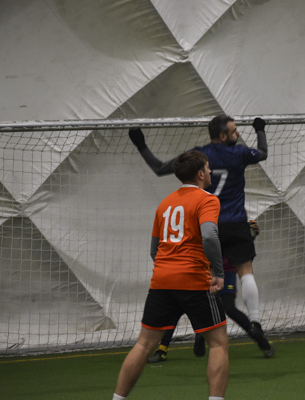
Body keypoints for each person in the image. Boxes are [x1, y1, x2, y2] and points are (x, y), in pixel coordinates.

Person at [129, 114, 270, 344]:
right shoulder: (240, 153)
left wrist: (141, 145)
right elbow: (262, 153)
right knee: (245, 271)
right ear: (222, 136)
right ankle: (254, 321)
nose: (237, 134)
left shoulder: (199, 156)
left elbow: (159, 168)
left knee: (206, 277)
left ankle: (195, 333)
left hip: (207, 224)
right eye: (234, 131)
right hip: (235, 223)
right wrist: (260, 130)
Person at [112, 150, 228, 400]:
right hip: (194, 281)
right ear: (200, 174)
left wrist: (169, 269)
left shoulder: (165, 204)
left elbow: (154, 250)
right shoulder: (208, 200)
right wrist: (218, 272)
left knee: (144, 344)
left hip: (161, 282)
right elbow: (209, 236)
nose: (210, 171)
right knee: (218, 343)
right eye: (208, 168)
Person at [148, 220, 274, 363]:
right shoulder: (206, 221)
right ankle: (163, 350)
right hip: (206, 268)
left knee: (228, 307)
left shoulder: (226, 220)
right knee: (178, 308)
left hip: (225, 269)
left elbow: (242, 235)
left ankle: (259, 338)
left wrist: (247, 233)